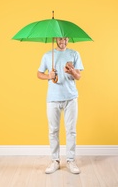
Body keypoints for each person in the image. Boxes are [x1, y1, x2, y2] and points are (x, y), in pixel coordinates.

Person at [37, 37, 84, 174]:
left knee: (71, 130)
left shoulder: (74, 54)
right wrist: (48, 76)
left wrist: (72, 72)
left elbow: (79, 76)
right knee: (53, 130)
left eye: (65, 38)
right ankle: (55, 161)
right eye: (59, 38)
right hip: (53, 98)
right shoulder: (47, 55)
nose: (62, 41)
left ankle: (70, 160)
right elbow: (39, 74)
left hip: (71, 98)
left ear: (68, 39)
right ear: (55, 39)